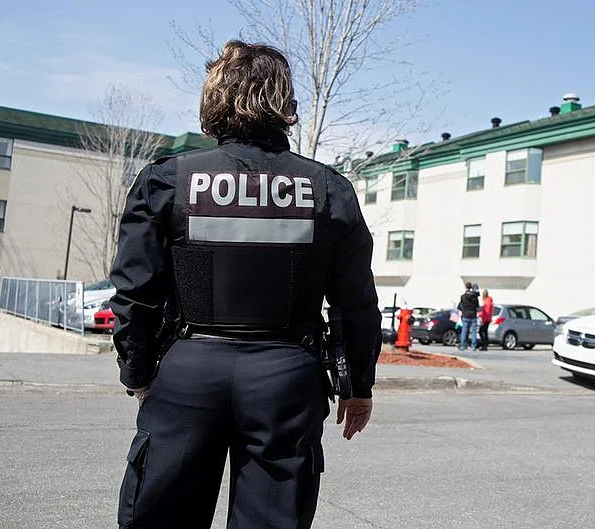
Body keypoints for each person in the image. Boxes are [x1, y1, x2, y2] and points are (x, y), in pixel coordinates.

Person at [109, 40, 381, 529]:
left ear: (215, 96)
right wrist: (357, 385)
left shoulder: (169, 180)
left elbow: (135, 292)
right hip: (286, 379)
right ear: (284, 101)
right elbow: (356, 302)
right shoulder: (327, 189)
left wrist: (139, 373)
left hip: (188, 372)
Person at [456, 282, 479, 351]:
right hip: (473, 315)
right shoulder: (474, 296)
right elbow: (477, 306)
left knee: (464, 331)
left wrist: (463, 310)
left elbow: (459, 306)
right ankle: (473, 346)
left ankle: (463, 345)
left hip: (465, 315)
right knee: (474, 332)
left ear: (466, 287)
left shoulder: (463, 297)